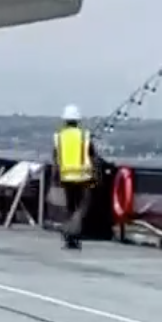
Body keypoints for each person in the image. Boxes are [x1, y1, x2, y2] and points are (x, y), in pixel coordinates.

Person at [52, 104, 102, 251]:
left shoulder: (59, 137)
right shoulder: (84, 136)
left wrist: (55, 176)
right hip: (83, 177)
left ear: (65, 120)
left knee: (70, 208)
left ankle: (69, 238)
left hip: (66, 178)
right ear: (78, 121)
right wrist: (95, 175)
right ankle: (75, 234)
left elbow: (56, 158)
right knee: (81, 209)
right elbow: (92, 156)